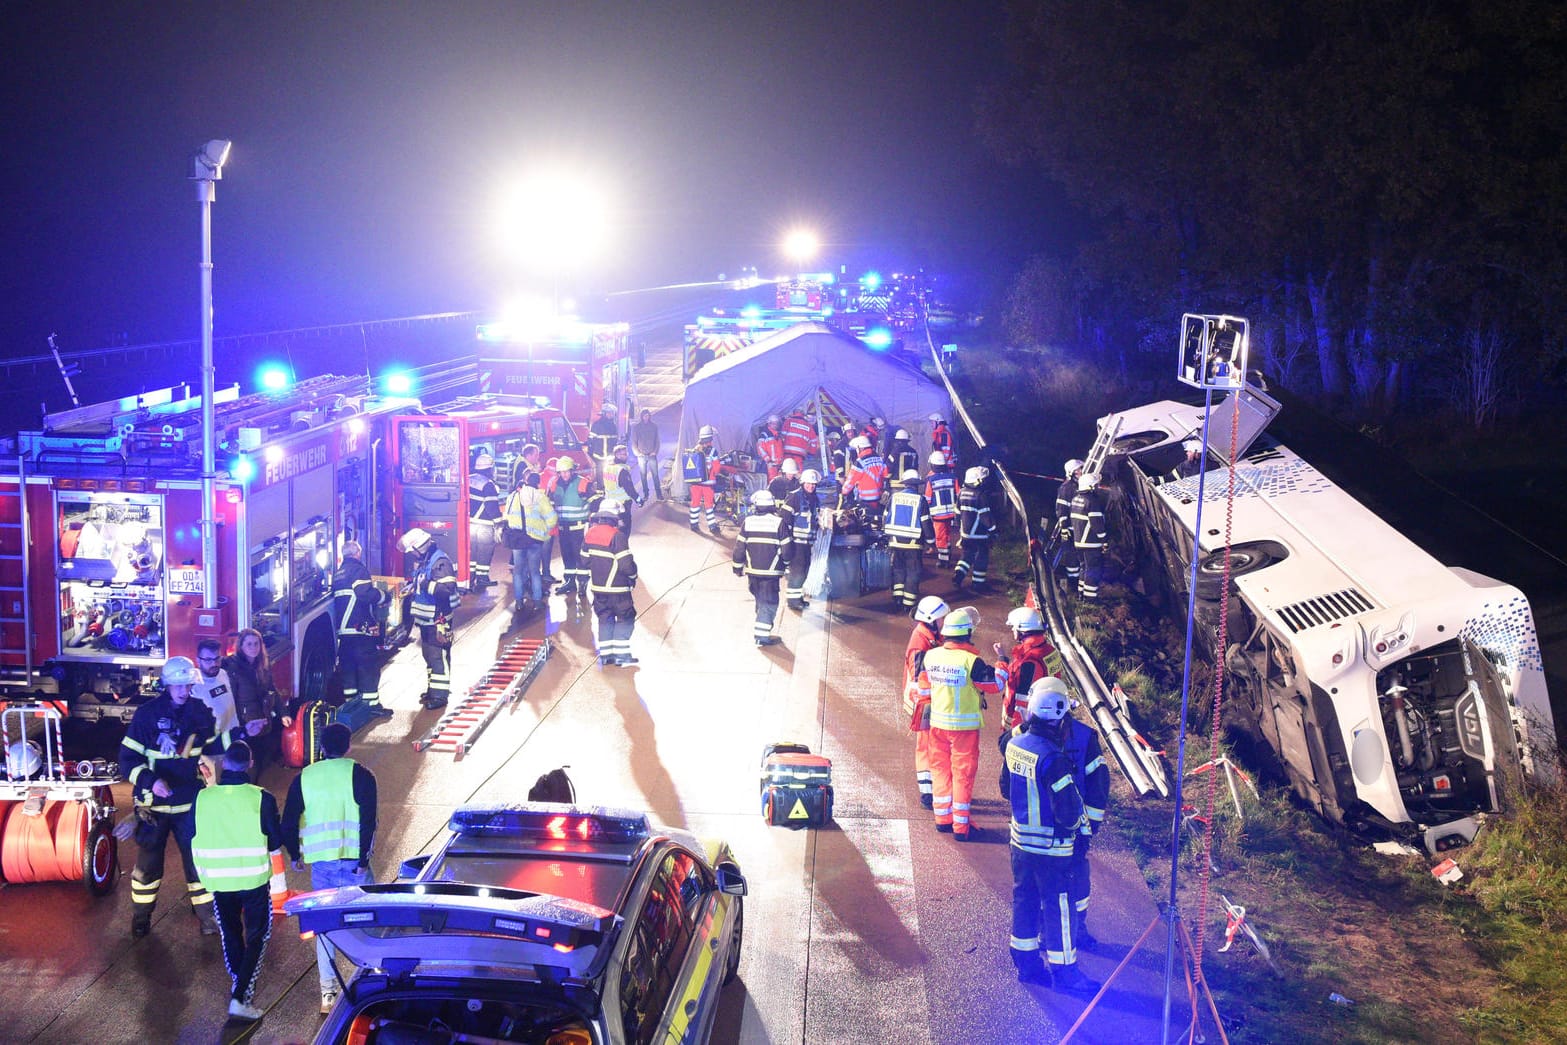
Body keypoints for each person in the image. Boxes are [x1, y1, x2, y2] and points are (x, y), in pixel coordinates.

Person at [119, 655, 241, 938]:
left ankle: (208, 918)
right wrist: (151, 781)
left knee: (197, 863)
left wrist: (244, 732)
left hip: (189, 803)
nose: (185, 692)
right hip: (154, 806)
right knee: (148, 867)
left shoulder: (198, 711)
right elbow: (127, 759)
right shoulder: (147, 715)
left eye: (188, 686)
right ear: (167, 685)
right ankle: (141, 916)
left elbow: (213, 744)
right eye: (179, 687)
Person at [1002, 679, 1100, 995]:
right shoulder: (1054, 759)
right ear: (1057, 715)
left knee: (1025, 901)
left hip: (1020, 846)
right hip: (1051, 850)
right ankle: (1066, 974)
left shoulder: (1014, 745)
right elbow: (1069, 811)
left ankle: (1027, 965)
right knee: (1059, 909)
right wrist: (1078, 835)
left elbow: (1005, 788)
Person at [280, 723, 378, 1014]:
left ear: (321, 748)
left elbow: (289, 821)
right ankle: (373, 977)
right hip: (353, 865)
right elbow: (368, 821)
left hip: (321, 866)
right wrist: (362, 861)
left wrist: (295, 854)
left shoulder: (304, 777)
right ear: (348, 746)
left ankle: (328, 994)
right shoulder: (361, 775)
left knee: (324, 928)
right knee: (369, 919)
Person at [191, 740, 285, 1021]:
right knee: (257, 935)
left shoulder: (203, 798)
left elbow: (192, 835)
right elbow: (275, 840)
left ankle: (239, 984)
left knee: (230, 933)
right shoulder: (261, 797)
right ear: (250, 763)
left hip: (218, 879)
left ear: (224, 763)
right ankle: (240, 996)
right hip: (253, 879)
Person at [913, 606, 999, 840]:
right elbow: (995, 686)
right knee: (962, 775)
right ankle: (961, 827)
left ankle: (942, 820)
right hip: (964, 730)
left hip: (937, 726)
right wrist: (1002, 665)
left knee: (940, 771)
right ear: (968, 633)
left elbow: (922, 689)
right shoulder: (972, 661)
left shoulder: (931, 656)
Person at [400, 527, 459, 710]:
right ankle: (433, 690)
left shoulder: (439, 562)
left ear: (421, 547)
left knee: (437, 656)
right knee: (429, 656)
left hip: (438, 619)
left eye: (413, 551)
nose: (412, 555)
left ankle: (440, 696)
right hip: (427, 620)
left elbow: (446, 589)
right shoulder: (426, 560)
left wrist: (425, 584)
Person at [330, 541, 390, 718]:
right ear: (357, 553)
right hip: (360, 629)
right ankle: (371, 706)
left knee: (348, 668)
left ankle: (352, 706)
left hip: (344, 631)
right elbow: (364, 593)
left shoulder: (338, 574)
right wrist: (383, 596)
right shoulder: (358, 569)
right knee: (368, 666)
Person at [902, 596, 948, 808]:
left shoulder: (928, 636)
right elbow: (919, 675)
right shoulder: (920, 642)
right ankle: (927, 793)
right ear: (931, 620)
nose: (944, 622)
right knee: (925, 746)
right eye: (942, 619)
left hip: (930, 700)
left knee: (933, 745)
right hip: (925, 702)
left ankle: (937, 787)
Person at [732, 489, 793, 646]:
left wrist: (737, 567)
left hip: (753, 572)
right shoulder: (779, 523)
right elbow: (787, 550)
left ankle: (762, 627)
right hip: (771, 573)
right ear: (772, 505)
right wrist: (787, 565)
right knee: (769, 603)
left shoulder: (748, 522)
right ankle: (762, 636)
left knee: (760, 600)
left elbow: (739, 548)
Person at [583, 502, 640, 666]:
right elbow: (626, 565)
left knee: (605, 618)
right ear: (614, 518)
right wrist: (634, 575)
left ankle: (606, 655)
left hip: (598, 589)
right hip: (618, 588)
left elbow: (584, 561)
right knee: (625, 618)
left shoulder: (590, 534)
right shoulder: (617, 536)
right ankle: (621, 654)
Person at [225, 628, 288, 775]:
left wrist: (284, 713)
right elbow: (232, 699)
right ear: (241, 646)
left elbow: (273, 690)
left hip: (263, 721)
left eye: (256, 644)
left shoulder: (263, 666)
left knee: (260, 760)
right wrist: (239, 725)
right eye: (249, 644)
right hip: (247, 724)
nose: (253, 648)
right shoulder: (234, 668)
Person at [502, 470, 557, 619]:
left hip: (517, 539)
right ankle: (538, 602)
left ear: (525, 481)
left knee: (518, 571)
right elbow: (552, 519)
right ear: (538, 483)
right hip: (534, 540)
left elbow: (506, 516)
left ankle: (519, 602)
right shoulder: (540, 497)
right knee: (534, 571)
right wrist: (544, 531)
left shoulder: (512, 496)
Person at [884, 469, 934, 613]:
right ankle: (908, 604)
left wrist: (887, 535)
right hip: (913, 544)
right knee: (913, 572)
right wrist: (930, 542)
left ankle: (897, 598)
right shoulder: (921, 500)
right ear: (917, 485)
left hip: (894, 542)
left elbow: (885, 517)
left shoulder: (894, 497)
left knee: (898, 569)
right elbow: (926, 523)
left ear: (905, 484)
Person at [548, 457, 596, 597]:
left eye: (566, 472)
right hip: (563, 527)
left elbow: (595, 501)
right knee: (567, 556)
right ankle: (569, 581)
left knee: (580, 556)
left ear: (572, 470)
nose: (564, 475)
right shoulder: (554, 485)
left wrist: (593, 519)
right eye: (561, 472)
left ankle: (582, 583)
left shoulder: (583, 483)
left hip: (578, 528)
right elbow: (550, 503)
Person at [781, 468, 822, 610]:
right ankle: (792, 601)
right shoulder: (794, 497)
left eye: (814, 484)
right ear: (803, 483)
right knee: (797, 572)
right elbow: (785, 520)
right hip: (796, 542)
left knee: (804, 570)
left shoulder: (814, 499)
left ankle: (798, 598)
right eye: (809, 484)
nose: (811, 486)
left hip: (807, 543)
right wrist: (788, 541)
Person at [953, 467, 997, 589]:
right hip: (980, 534)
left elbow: (957, 513)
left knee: (967, 555)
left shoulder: (961, 492)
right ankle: (978, 583)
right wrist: (993, 530)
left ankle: (958, 575)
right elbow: (985, 517)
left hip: (966, 534)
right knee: (982, 557)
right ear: (978, 481)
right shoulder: (981, 495)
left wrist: (960, 528)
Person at [466, 452, 501, 592]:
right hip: (484, 525)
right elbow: (492, 507)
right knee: (485, 551)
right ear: (489, 469)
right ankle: (482, 578)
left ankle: (471, 575)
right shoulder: (488, 485)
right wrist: (499, 523)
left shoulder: (468, 479)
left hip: (469, 524)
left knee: (472, 552)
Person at [1071, 473, 1109, 599]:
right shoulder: (1092, 502)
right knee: (1093, 570)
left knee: (1083, 567)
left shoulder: (1076, 499)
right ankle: (1090, 598)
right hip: (1091, 543)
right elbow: (1097, 524)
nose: (1098, 487)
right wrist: (1104, 540)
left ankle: (1081, 594)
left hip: (1078, 542)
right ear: (1091, 487)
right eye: (1096, 485)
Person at [681, 425, 722, 535]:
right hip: (708, 484)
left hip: (695, 483)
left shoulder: (695, 449)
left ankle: (694, 524)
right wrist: (714, 473)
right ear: (711, 438)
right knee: (709, 505)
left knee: (695, 503)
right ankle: (712, 526)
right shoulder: (713, 451)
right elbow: (717, 468)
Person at [192, 637, 238, 734]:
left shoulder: (223, 673)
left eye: (217, 659)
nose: (214, 663)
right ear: (198, 661)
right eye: (208, 660)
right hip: (215, 742)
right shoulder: (193, 687)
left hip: (234, 735)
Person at [923, 451, 959, 568]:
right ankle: (947, 554)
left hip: (938, 515)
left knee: (939, 537)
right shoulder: (953, 477)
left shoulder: (930, 479)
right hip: (951, 513)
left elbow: (927, 499)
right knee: (947, 535)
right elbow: (958, 493)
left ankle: (943, 560)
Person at [599, 444, 644, 535]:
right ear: (617, 455)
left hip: (608, 503)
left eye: (626, 453)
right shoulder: (621, 470)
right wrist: (639, 500)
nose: (626, 456)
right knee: (624, 530)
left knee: (611, 529)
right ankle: (622, 547)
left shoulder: (606, 468)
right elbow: (629, 489)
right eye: (623, 454)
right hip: (622, 505)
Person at [1054, 459, 1084, 583]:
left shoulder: (1080, 486)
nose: (1081, 472)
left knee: (1080, 555)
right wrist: (1065, 527)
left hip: (1080, 527)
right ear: (1071, 473)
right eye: (1078, 470)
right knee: (1071, 556)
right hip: (1071, 528)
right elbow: (1061, 509)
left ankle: (1079, 580)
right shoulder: (1066, 488)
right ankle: (1072, 581)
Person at [630, 408, 663, 500]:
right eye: (645, 416)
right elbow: (634, 441)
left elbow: (657, 441)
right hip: (641, 455)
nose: (646, 417)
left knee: (655, 475)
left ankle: (659, 494)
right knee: (643, 476)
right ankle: (646, 494)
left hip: (652, 455)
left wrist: (655, 452)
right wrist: (637, 453)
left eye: (648, 415)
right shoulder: (637, 427)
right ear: (642, 416)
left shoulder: (654, 426)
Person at [588, 402, 620, 475]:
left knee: (609, 475)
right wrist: (591, 453)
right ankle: (600, 486)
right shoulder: (596, 425)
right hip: (599, 456)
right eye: (609, 413)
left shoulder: (613, 426)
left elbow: (615, 441)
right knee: (599, 474)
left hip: (610, 456)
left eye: (612, 413)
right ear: (604, 414)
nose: (611, 415)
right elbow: (590, 440)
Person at [755, 415, 784, 480]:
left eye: (777, 423)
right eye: (774, 423)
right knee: (771, 482)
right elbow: (760, 448)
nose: (776, 425)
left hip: (778, 465)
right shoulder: (764, 434)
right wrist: (767, 459)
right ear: (769, 423)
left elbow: (780, 449)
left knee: (778, 482)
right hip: (770, 465)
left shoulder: (778, 435)